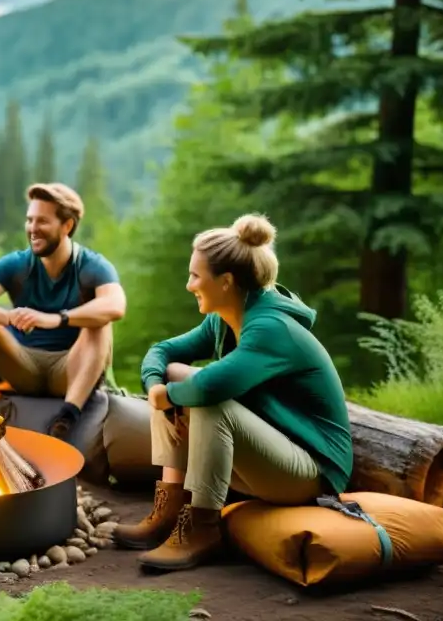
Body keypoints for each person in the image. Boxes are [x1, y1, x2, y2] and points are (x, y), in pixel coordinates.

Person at [110, 213, 353, 572]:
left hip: (311, 472)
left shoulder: (270, 327)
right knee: (176, 375)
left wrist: (168, 396)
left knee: (209, 399)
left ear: (225, 281)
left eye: (195, 276)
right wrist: (156, 387)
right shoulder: (225, 317)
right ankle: (169, 509)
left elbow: (211, 387)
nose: (189, 285)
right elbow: (162, 351)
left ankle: (202, 528)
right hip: (268, 454)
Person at [0, 183, 126, 440]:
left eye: (42, 221)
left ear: (67, 226)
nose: (33, 229)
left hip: (68, 370)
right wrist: (8, 317)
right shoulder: (17, 263)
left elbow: (115, 306)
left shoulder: (93, 266)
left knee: (100, 323)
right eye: (30, 220)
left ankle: (68, 415)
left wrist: (57, 319)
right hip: (23, 365)